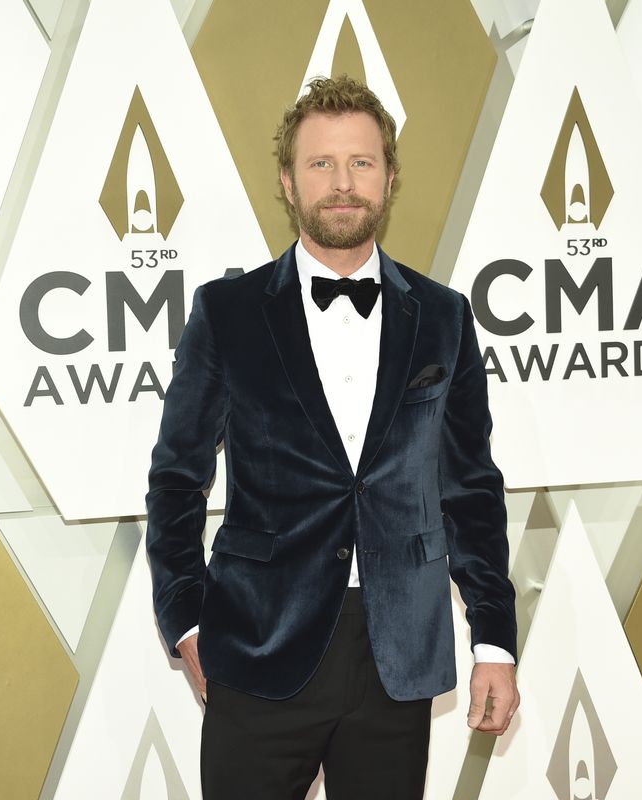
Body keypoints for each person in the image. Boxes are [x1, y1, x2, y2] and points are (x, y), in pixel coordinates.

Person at [145, 75, 518, 800]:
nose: (342, 184)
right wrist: (186, 620)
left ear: (388, 178)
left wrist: (495, 640)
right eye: (321, 164)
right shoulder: (227, 313)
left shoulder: (444, 316)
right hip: (257, 645)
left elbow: (470, 488)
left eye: (362, 163)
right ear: (287, 181)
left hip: (398, 653)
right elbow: (176, 480)